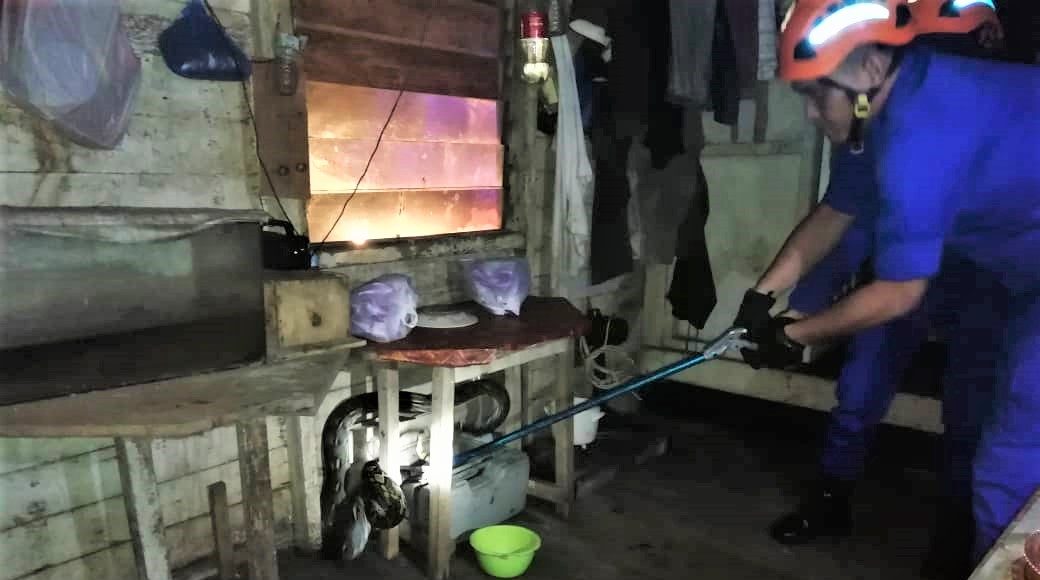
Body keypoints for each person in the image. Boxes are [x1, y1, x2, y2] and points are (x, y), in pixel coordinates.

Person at [741, 0, 1039, 566]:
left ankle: (984, 552)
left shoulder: (918, 133)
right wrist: (763, 294)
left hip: (1007, 275)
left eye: (816, 95)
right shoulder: (882, 106)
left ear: (872, 69)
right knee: (870, 378)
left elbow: (901, 291)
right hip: (1000, 263)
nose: (810, 114)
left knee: (1008, 458)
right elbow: (838, 209)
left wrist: (797, 334)